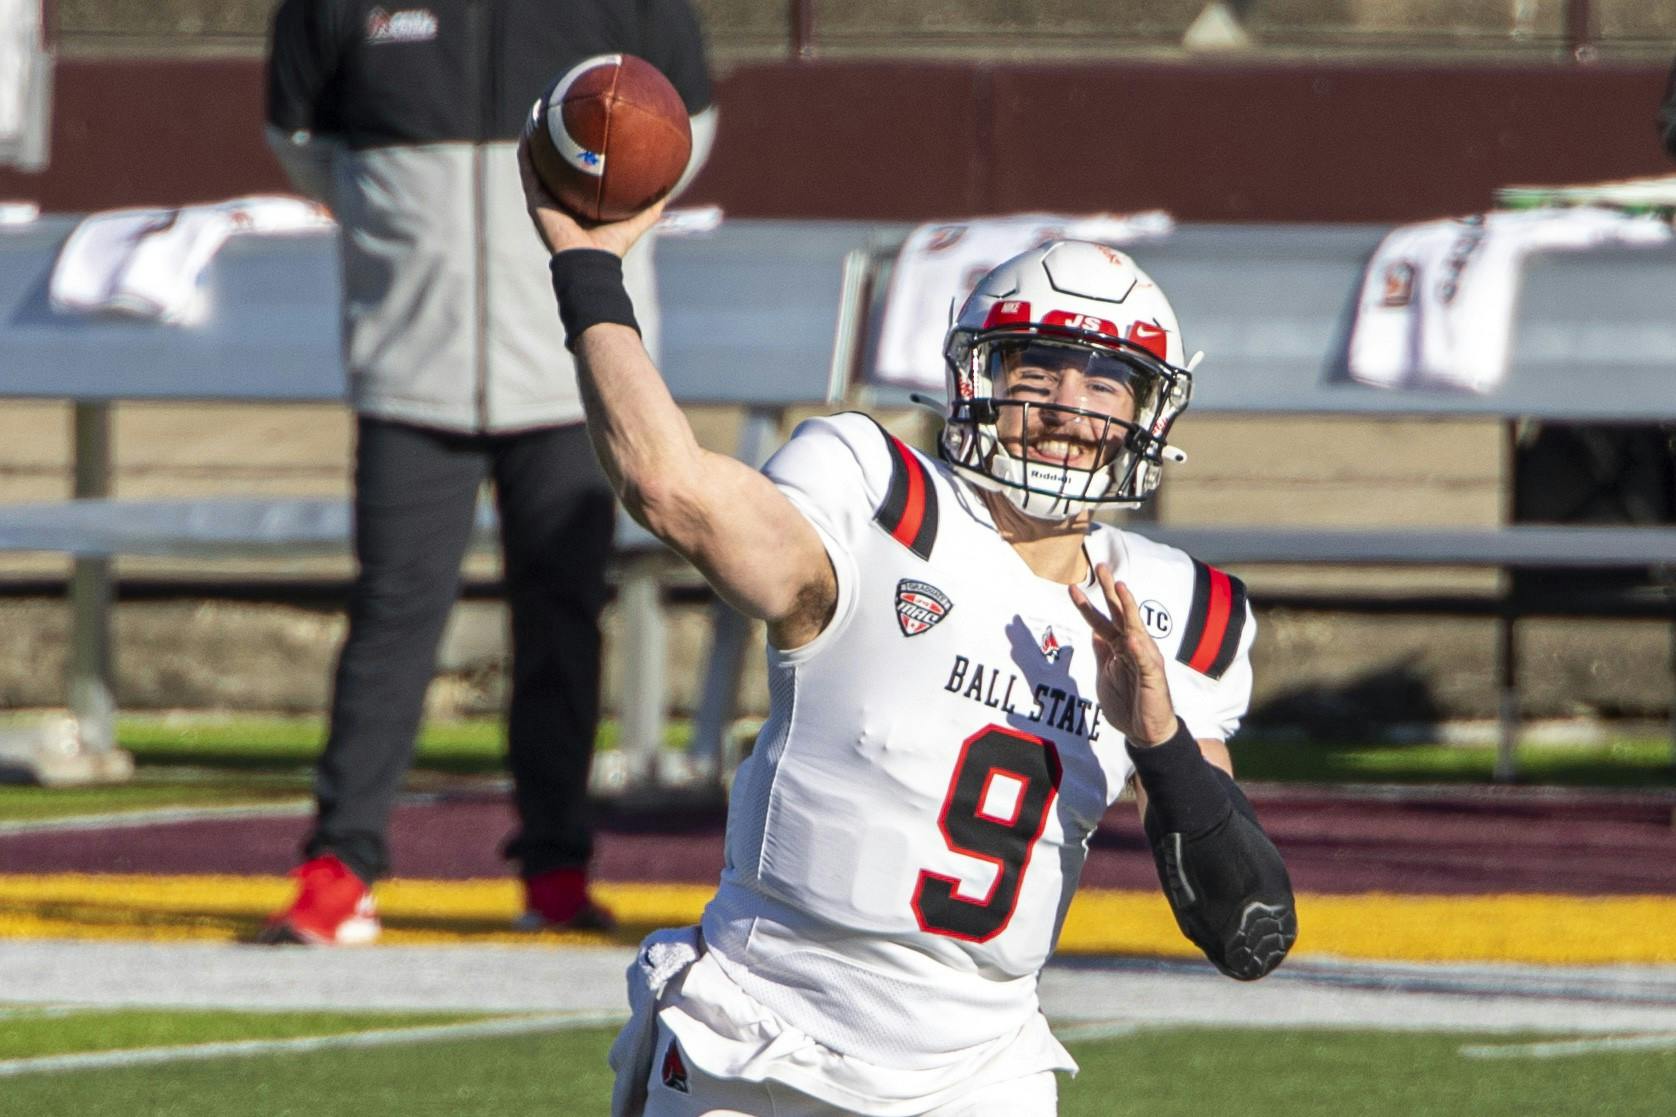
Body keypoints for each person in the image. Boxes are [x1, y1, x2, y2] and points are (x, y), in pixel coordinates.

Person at [521, 147, 1296, 1113]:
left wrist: (1161, 738)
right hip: (760, 1035)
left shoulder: (1176, 607)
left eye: (1106, 387)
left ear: (1148, 414)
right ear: (977, 377)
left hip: (982, 1073)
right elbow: (668, 487)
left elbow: (1251, 927)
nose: (1066, 409)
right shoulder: (880, 496)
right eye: (1037, 372)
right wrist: (589, 270)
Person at [257, 0, 716, 945]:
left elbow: (683, 130)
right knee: (391, 615)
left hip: (570, 375)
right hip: (409, 371)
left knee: (560, 624)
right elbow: (298, 137)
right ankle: (340, 867)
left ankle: (556, 869)